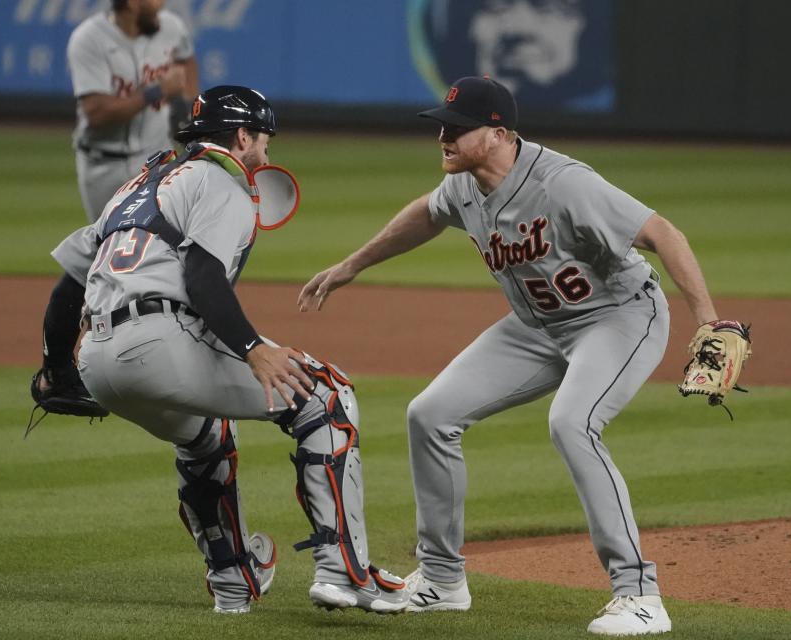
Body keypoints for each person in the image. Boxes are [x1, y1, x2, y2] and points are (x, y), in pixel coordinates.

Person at [299, 76, 725, 635]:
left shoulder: (564, 184)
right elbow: (426, 213)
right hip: (537, 327)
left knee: (573, 424)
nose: (443, 137)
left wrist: (709, 323)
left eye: (456, 128)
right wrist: (352, 264)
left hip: (618, 316)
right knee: (430, 415)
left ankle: (640, 595)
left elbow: (663, 233)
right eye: (441, 127)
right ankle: (443, 580)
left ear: (497, 133)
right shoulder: (464, 185)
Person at [33, 85, 408, 615]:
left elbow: (68, 288)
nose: (267, 152)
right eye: (264, 140)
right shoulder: (222, 181)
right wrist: (255, 349)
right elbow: (205, 278)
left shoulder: (135, 187)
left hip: (97, 358)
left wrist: (56, 369)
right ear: (241, 136)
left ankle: (233, 579)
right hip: (160, 342)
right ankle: (344, 573)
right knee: (326, 396)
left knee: (206, 436)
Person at [68, 0, 199, 222]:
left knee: (165, 246)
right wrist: (156, 91)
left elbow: (187, 60)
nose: (161, 5)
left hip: (158, 158)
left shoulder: (171, 27)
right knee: (111, 249)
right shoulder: (89, 39)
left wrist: (189, 109)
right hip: (103, 166)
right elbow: (97, 113)